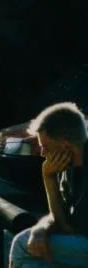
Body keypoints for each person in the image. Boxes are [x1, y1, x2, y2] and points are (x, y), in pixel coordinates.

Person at [9, 103, 88, 267]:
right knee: (32, 264)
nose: (43, 154)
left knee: (21, 245)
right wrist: (41, 228)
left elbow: (67, 228)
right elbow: (62, 222)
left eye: (45, 147)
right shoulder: (66, 167)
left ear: (66, 145)